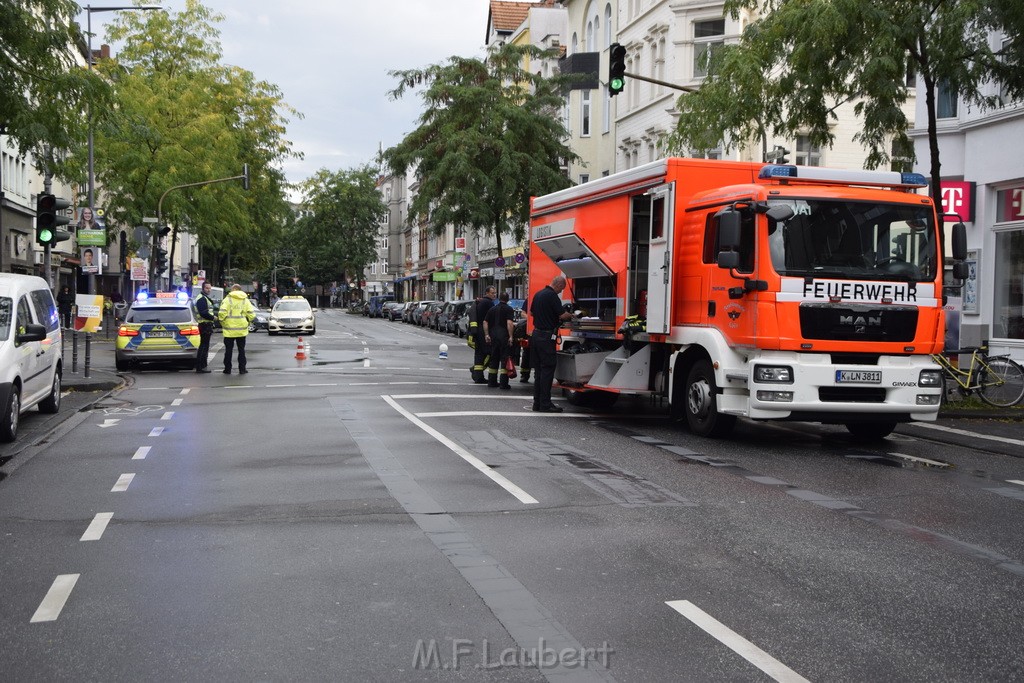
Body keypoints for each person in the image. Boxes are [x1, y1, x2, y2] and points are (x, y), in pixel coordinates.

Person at [530, 275, 573, 413]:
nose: (561, 292)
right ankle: (545, 404)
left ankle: (537, 403)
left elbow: (531, 313)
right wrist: (571, 315)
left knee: (539, 372)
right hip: (546, 337)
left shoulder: (538, 294)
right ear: (559, 285)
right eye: (562, 289)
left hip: (536, 335)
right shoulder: (552, 296)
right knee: (547, 371)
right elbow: (562, 315)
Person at [218, 284, 255, 374]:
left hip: (229, 330)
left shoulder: (227, 300)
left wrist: (223, 323)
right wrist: (247, 322)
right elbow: (252, 314)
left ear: (233, 289)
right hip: (241, 330)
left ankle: (227, 369)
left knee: (228, 350)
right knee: (241, 350)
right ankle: (242, 369)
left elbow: (222, 313)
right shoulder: (245, 300)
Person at [483, 291, 516, 390]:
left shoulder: (492, 309)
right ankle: (503, 383)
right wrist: (511, 336)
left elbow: (485, 322)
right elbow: (509, 323)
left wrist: (487, 335)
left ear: (499, 298)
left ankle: (492, 382)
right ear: (508, 299)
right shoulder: (509, 309)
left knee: (494, 359)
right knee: (504, 359)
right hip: (503, 337)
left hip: (493, 336)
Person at [468, 285, 496, 384]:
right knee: (489, 353)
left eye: (495, 293)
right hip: (484, 331)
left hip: (478, 332)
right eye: (492, 293)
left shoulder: (480, 302)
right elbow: (493, 318)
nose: (494, 295)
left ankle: (478, 376)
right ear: (487, 293)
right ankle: (476, 371)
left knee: (479, 354)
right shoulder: (489, 303)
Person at [194, 282, 217, 373]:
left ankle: (202, 366)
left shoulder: (204, 298)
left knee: (204, 345)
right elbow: (203, 313)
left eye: (210, 288)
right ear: (203, 288)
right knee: (204, 346)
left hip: (206, 324)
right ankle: (201, 366)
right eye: (207, 288)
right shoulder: (202, 298)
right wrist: (213, 318)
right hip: (204, 324)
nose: (209, 290)